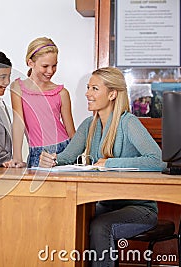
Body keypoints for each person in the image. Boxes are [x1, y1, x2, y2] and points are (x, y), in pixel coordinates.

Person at [39, 67, 166, 267]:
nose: (88, 93)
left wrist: (110, 163)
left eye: (94, 88)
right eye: (89, 88)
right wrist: (51, 160)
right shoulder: (89, 124)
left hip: (139, 209)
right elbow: (67, 157)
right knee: (68, 216)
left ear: (112, 94)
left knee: (100, 226)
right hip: (106, 204)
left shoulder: (128, 123)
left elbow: (157, 160)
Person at [9, 37, 75, 168]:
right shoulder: (17, 88)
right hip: (37, 153)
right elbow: (18, 122)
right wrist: (16, 156)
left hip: (63, 151)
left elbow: (71, 131)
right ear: (30, 63)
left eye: (54, 65)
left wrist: (78, 158)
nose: (50, 71)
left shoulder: (62, 93)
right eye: (45, 66)